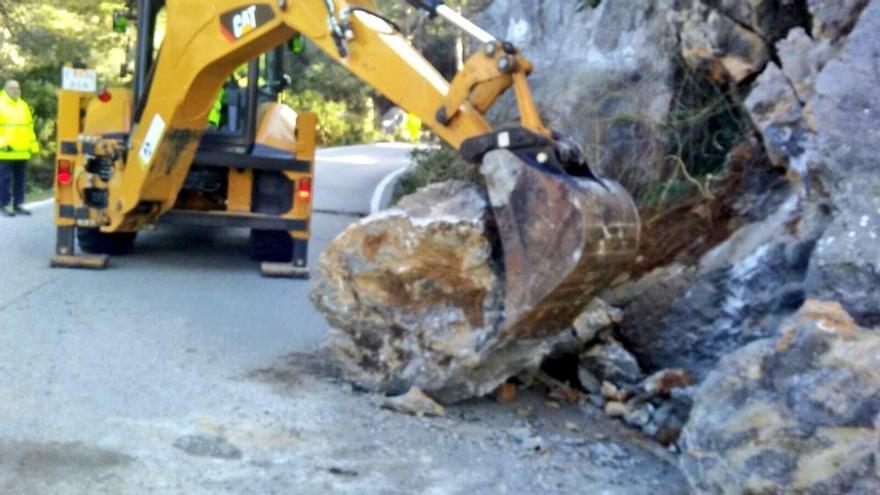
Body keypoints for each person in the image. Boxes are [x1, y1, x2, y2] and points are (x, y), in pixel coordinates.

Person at [0, 80, 40, 217]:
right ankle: (5, 205)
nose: (16, 90)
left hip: (22, 151)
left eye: (17, 88)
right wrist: (2, 144)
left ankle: (18, 204)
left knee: (20, 180)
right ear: (5, 89)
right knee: (4, 180)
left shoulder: (23, 105)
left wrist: (33, 146)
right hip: (5, 152)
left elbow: (29, 128)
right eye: (12, 88)